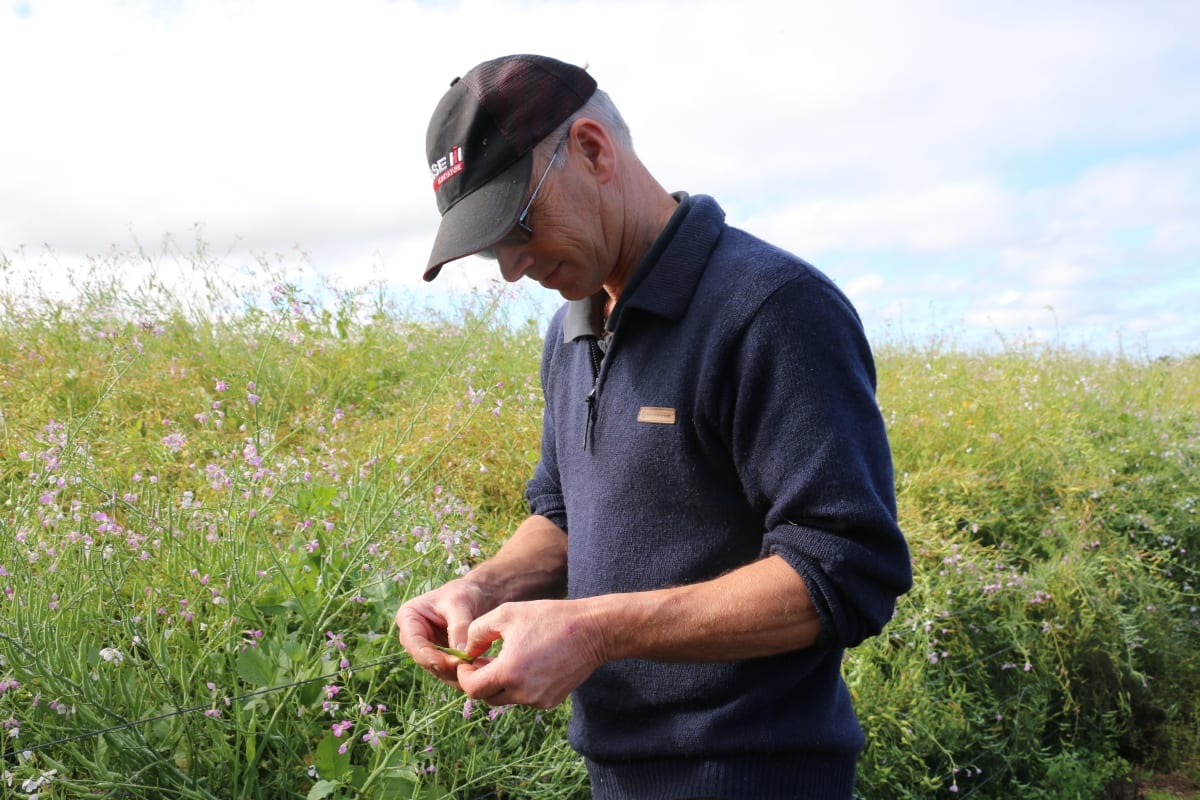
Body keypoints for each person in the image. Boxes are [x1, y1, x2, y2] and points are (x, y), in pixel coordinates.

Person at [395, 54, 912, 800]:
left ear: (594, 151)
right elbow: (563, 512)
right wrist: (481, 588)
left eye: (518, 223)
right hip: (619, 777)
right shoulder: (569, 333)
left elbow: (845, 571)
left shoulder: (774, 310)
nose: (512, 266)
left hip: (758, 778)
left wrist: (594, 630)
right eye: (492, 248)